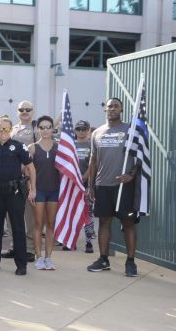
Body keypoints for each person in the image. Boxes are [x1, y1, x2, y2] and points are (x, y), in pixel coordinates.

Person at [87, 98, 140, 277]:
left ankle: (130, 262)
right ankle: (103, 259)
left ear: (121, 109)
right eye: (109, 106)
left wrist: (131, 175)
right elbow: (93, 161)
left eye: (116, 106)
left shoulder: (130, 130)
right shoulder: (97, 133)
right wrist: (91, 185)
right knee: (104, 222)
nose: (112, 109)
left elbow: (139, 156)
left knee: (128, 223)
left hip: (124, 185)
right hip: (103, 185)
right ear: (105, 109)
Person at [0, 117, 36, 276]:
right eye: (0, 129)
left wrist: (33, 189)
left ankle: (21, 265)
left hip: (14, 193)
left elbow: (31, 168)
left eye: (6, 129)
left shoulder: (19, 146)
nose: (3, 132)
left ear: (11, 130)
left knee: (18, 228)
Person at [4, 100, 37, 262]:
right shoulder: (13, 129)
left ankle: (29, 249)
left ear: (33, 111)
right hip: (12, 178)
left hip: (28, 178)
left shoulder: (37, 129)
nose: (24, 111)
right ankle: (14, 246)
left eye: (28, 109)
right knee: (12, 214)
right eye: (21, 109)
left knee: (29, 215)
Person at [27, 115, 60, 270]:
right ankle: (39, 257)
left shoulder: (60, 147)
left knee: (51, 224)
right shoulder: (32, 147)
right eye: (42, 127)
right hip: (39, 191)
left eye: (48, 127)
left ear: (53, 129)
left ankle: (48, 258)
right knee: (38, 224)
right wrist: (31, 190)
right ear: (37, 129)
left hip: (54, 191)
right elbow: (27, 172)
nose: (45, 130)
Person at [74, 120, 95, 254]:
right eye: (78, 129)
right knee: (73, 214)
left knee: (87, 214)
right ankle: (72, 241)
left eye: (84, 129)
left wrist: (85, 177)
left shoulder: (91, 145)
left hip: (86, 184)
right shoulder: (70, 145)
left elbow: (93, 164)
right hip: (72, 185)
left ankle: (89, 242)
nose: (81, 131)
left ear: (88, 130)